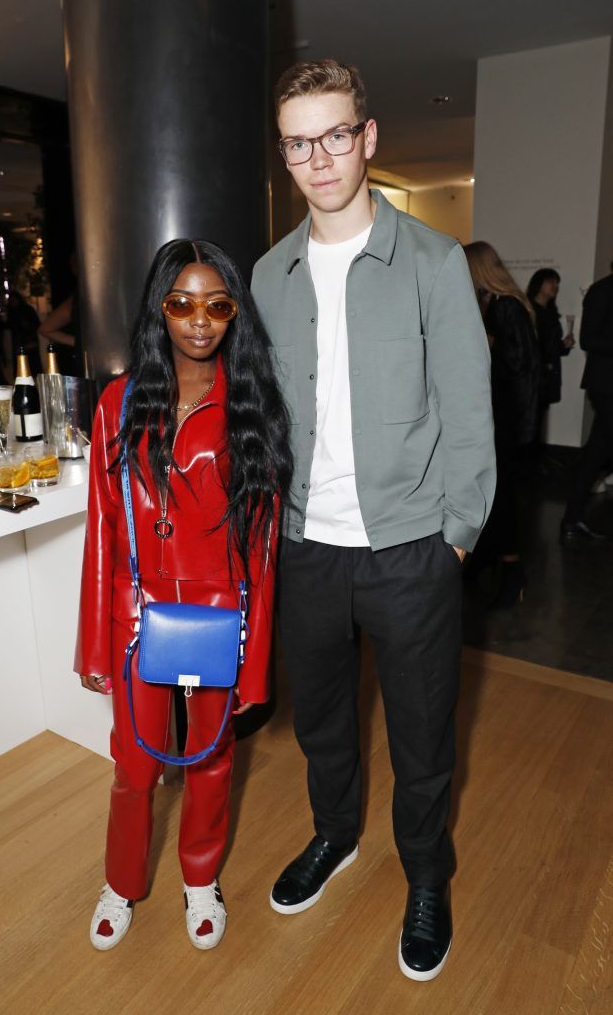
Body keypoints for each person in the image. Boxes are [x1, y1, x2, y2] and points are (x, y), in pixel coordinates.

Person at [251, 59, 495, 982]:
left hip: (411, 549)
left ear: (369, 137)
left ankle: (427, 876)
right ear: (285, 153)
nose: (319, 157)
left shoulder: (432, 262)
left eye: (336, 135)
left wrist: (456, 535)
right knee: (321, 723)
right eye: (299, 142)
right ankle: (334, 836)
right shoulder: (270, 275)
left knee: (425, 736)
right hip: (308, 547)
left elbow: (472, 417)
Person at [74, 239, 292, 951]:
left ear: (235, 314)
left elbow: (262, 548)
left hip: (219, 615)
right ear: (159, 309)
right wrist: (93, 642)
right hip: (137, 615)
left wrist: (256, 656)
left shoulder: (250, 404)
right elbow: (103, 531)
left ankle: (200, 877)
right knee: (133, 764)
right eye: (182, 304)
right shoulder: (121, 400)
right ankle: (122, 881)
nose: (200, 321)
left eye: (217, 305)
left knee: (209, 758)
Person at [464, 241, 539, 606]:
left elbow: (518, 364)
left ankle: (512, 572)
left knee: (501, 496)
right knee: (493, 495)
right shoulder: (498, 303)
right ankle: (490, 563)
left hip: (504, 418)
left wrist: (485, 341)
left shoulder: (506, 306)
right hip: (500, 416)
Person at [561, 266, 613, 542]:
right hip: (605, 386)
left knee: (596, 452)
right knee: (597, 453)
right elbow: (588, 340)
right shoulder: (602, 290)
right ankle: (571, 519)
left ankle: (571, 519)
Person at [526, 268, 574, 431]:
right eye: (550, 281)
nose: (555, 286)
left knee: (539, 419)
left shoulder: (551, 313)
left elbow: (551, 346)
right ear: (538, 283)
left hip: (548, 374)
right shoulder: (528, 310)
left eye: (556, 283)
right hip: (534, 375)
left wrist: (564, 345)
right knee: (530, 419)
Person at [6, 290, 41, 376]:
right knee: (22, 370)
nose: (13, 303)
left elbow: (36, 324)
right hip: (19, 344)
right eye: (11, 301)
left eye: (14, 300)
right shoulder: (12, 313)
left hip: (29, 342)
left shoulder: (28, 310)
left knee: (32, 368)